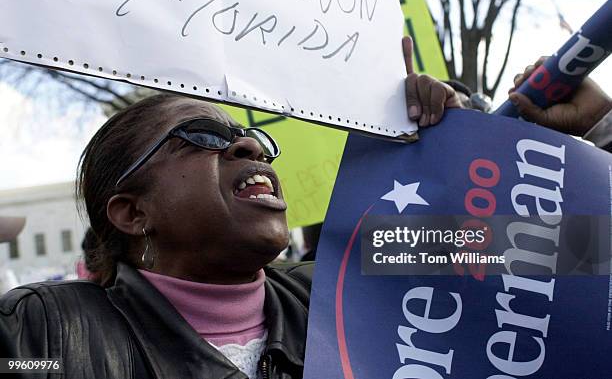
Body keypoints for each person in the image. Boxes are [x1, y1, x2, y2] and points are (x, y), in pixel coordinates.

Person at [0, 37, 463, 379]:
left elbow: (509, 250)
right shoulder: (41, 334)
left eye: (253, 138)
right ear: (133, 214)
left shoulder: (340, 287)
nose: (247, 145)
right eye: (203, 136)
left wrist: (465, 146)